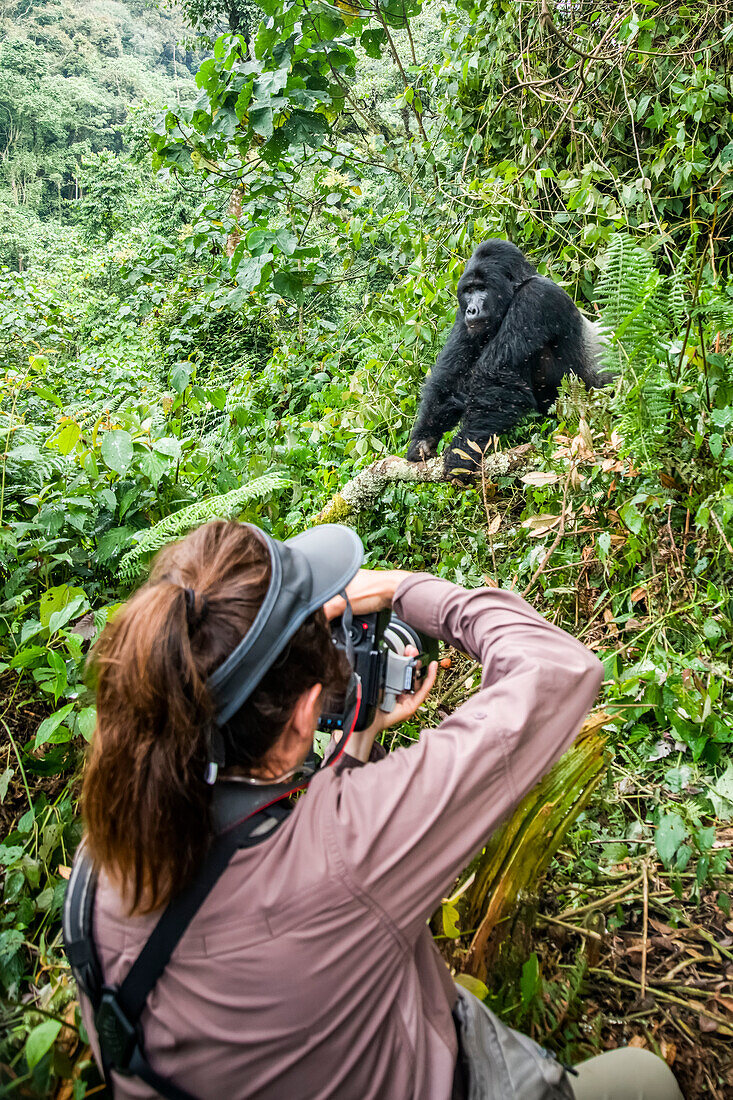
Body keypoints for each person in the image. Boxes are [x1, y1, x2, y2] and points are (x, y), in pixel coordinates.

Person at [73, 519, 683, 1100]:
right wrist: (406, 588)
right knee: (644, 1077)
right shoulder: (345, 857)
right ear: (307, 714)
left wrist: (355, 744)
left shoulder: (106, 853)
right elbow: (559, 667)